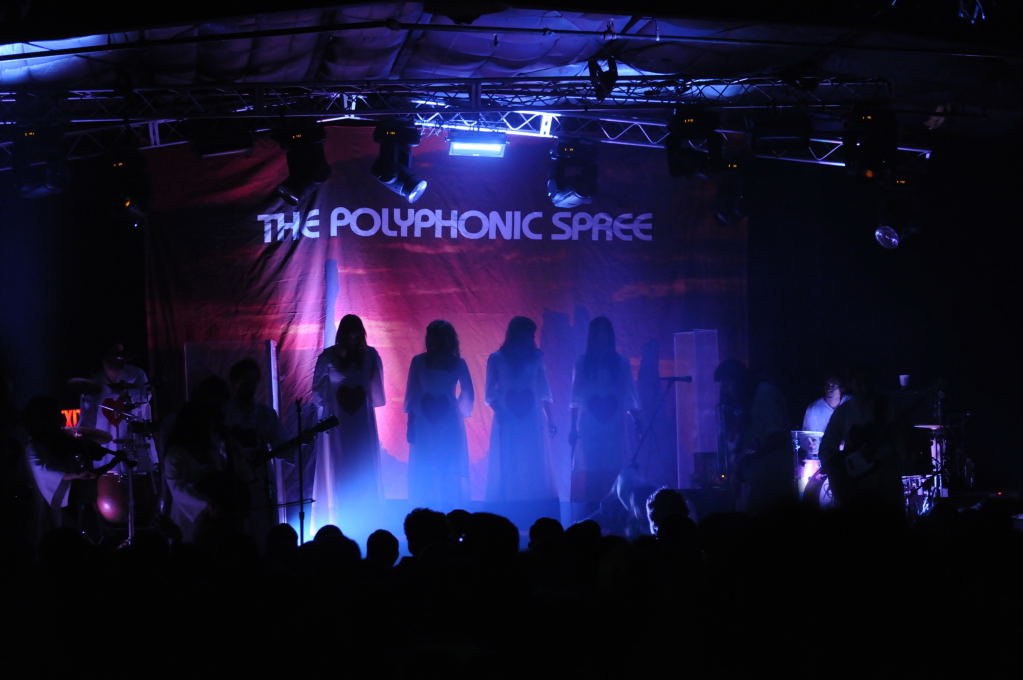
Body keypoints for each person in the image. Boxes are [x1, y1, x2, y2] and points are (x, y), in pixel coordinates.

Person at [310, 314, 385, 532]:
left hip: (362, 421)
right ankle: (341, 518)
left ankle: (366, 518)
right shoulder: (328, 356)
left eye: (356, 335)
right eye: (349, 335)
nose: (353, 339)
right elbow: (317, 391)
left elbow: (377, 391)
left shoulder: (371, 355)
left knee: (362, 462)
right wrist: (332, 401)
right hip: (337, 422)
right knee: (340, 464)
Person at [569, 316, 640, 519]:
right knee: (592, 467)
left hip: (615, 424)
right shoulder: (582, 363)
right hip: (590, 425)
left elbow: (629, 393)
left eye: (605, 331)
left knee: (614, 466)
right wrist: (573, 428)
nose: (602, 336)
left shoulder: (621, 363)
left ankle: (616, 512)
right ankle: (592, 512)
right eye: (598, 332)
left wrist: (637, 419)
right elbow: (575, 397)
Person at [485, 316, 557, 509]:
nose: (531, 339)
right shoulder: (497, 359)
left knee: (531, 458)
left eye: (532, 335)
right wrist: (501, 413)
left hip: (532, 417)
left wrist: (550, 418)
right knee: (510, 458)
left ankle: (533, 503)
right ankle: (510, 503)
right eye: (528, 334)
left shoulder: (537, 357)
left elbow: (543, 389)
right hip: (507, 418)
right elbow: (490, 392)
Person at [404, 320, 474, 510]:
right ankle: (428, 507)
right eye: (431, 335)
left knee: (446, 462)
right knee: (426, 462)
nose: (432, 340)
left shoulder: (458, 363)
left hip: (448, 420)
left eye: (437, 336)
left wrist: (456, 411)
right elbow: (412, 392)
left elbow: (468, 391)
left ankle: (447, 507)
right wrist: (410, 424)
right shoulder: (418, 362)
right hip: (424, 420)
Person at [78, 344, 159, 475]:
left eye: (120, 355)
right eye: (113, 355)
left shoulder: (136, 374)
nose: (117, 359)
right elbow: (87, 415)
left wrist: (126, 393)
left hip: (132, 440)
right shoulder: (95, 381)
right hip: (105, 446)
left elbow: (144, 400)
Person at [224, 358, 283, 539]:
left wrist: (301, 442)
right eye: (245, 382)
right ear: (234, 382)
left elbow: (280, 444)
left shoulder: (266, 414)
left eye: (253, 382)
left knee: (261, 526)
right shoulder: (223, 413)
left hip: (259, 481)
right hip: (230, 480)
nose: (250, 387)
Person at [801, 375, 848, 455]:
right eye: (827, 385)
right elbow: (805, 438)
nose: (829, 389)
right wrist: (810, 446)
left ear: (842, 388)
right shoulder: (813, 409)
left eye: (833, 386)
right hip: (821, 456)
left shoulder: (850, 403)